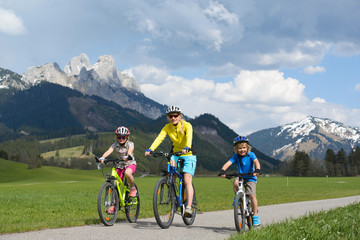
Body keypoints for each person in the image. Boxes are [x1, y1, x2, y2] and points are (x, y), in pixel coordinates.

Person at [145, 106, 197, 218]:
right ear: (168, 117)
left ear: (180, 116)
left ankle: (188, 207)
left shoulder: (187, 125)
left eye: (175, 115)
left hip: (188, 154)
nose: (173, 117)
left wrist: (187, 146)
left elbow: (189, 137)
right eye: (171, 116)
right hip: (175, 154)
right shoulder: (167, 127)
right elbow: (160, 137)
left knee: (187, 181)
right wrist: (151, 149)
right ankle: (172, 195)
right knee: (171, 173)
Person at [219, 136, 261, 226]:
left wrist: (257, 170)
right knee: (235, 183)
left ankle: (255, 216)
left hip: (250, 177)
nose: (242, 150)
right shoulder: (236, 156)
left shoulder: (251, 154)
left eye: (244, 147)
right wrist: (223, 170)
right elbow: (228, 163)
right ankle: (238, 197)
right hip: (240, 176)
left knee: (252, 195)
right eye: (240, 148)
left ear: (248, 148)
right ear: (236, 149)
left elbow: (256, 162)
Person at [99, 126, 137, 213]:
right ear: (116, 137)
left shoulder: (130, 144)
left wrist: (127, 156)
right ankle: (113, 206)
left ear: (127, 137)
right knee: (115, 184)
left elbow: (130, 151)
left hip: (130, 164)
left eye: (123, 137)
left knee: (127, 173)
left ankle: (133, 188)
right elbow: (109, 151)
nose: (121, 139)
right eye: (119, 137)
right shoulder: (115, 145)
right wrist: (102, 157)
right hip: (119, 165)